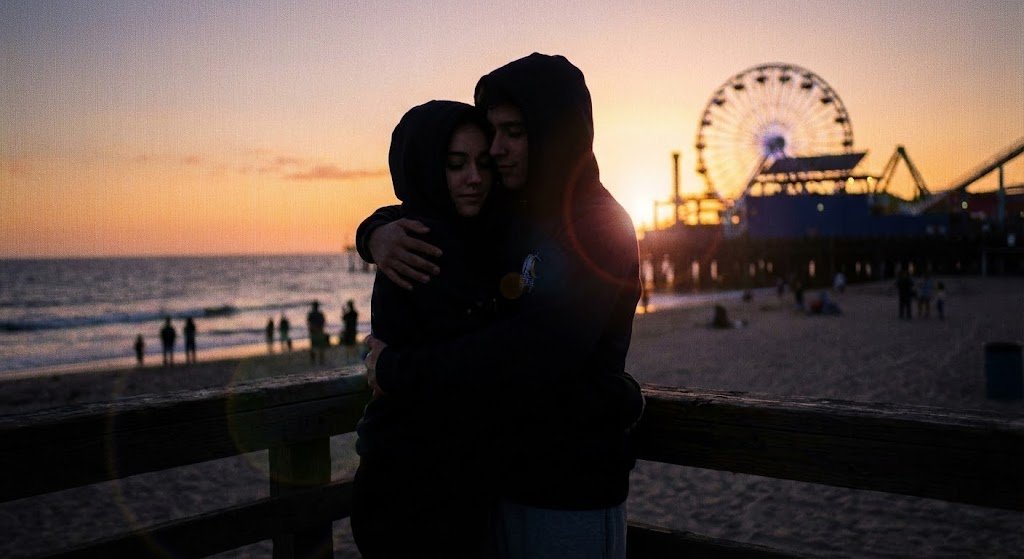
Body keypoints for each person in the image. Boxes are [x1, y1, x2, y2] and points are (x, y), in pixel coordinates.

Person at [358, 53, 644, 559]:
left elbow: (532, 353)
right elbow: (430, 201)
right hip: (499, 487)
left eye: (513, 131)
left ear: (554, 132)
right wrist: (375, 232)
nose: (496, 150)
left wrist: (394, 369)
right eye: (493, 132)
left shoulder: (599, 226)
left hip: (570, 488)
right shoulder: (517, 214)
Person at [351, 100, 500, 558]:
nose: (474, 177)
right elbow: (477, 365)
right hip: (414, 490)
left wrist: (371, 231)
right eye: (455, 165)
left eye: (482, 163)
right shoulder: (424, 247)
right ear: (427, 168)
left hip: (442, 483)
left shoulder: (464, 235)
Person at [306, 300, 327, 364]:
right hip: (320, 331)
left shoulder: (311, 314)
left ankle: (313, 360)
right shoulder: (320, 314)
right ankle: (321, 360)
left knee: (313, 346)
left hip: (313, 332)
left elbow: (309, 323)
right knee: (321, 346)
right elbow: (323, 322)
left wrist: (313, 328)